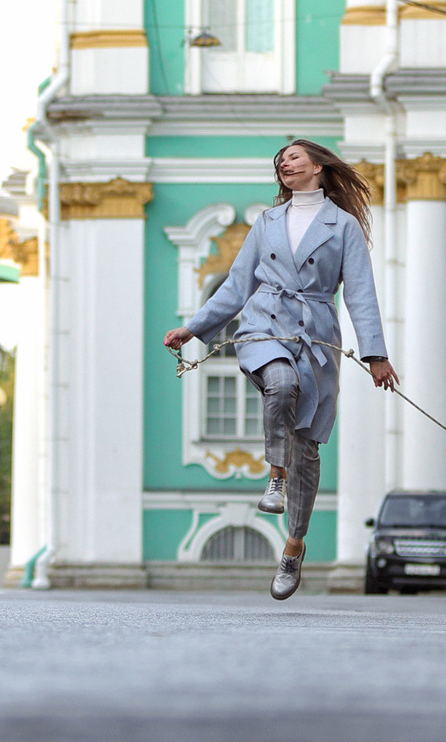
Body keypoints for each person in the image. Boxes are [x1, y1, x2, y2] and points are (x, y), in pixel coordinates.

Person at [164, 139, 396, 601]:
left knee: (306, 449)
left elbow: (361, 294)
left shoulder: (343, 226)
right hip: (264, 322)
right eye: (280, 160)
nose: (284, 162)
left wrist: (375, 355)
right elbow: (236, 284)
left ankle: (293, 546)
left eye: (293, 156)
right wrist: (193, 329)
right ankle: (275, 475)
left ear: (317, 166)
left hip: (316, 333)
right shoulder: (267, 222)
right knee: (281, 382)